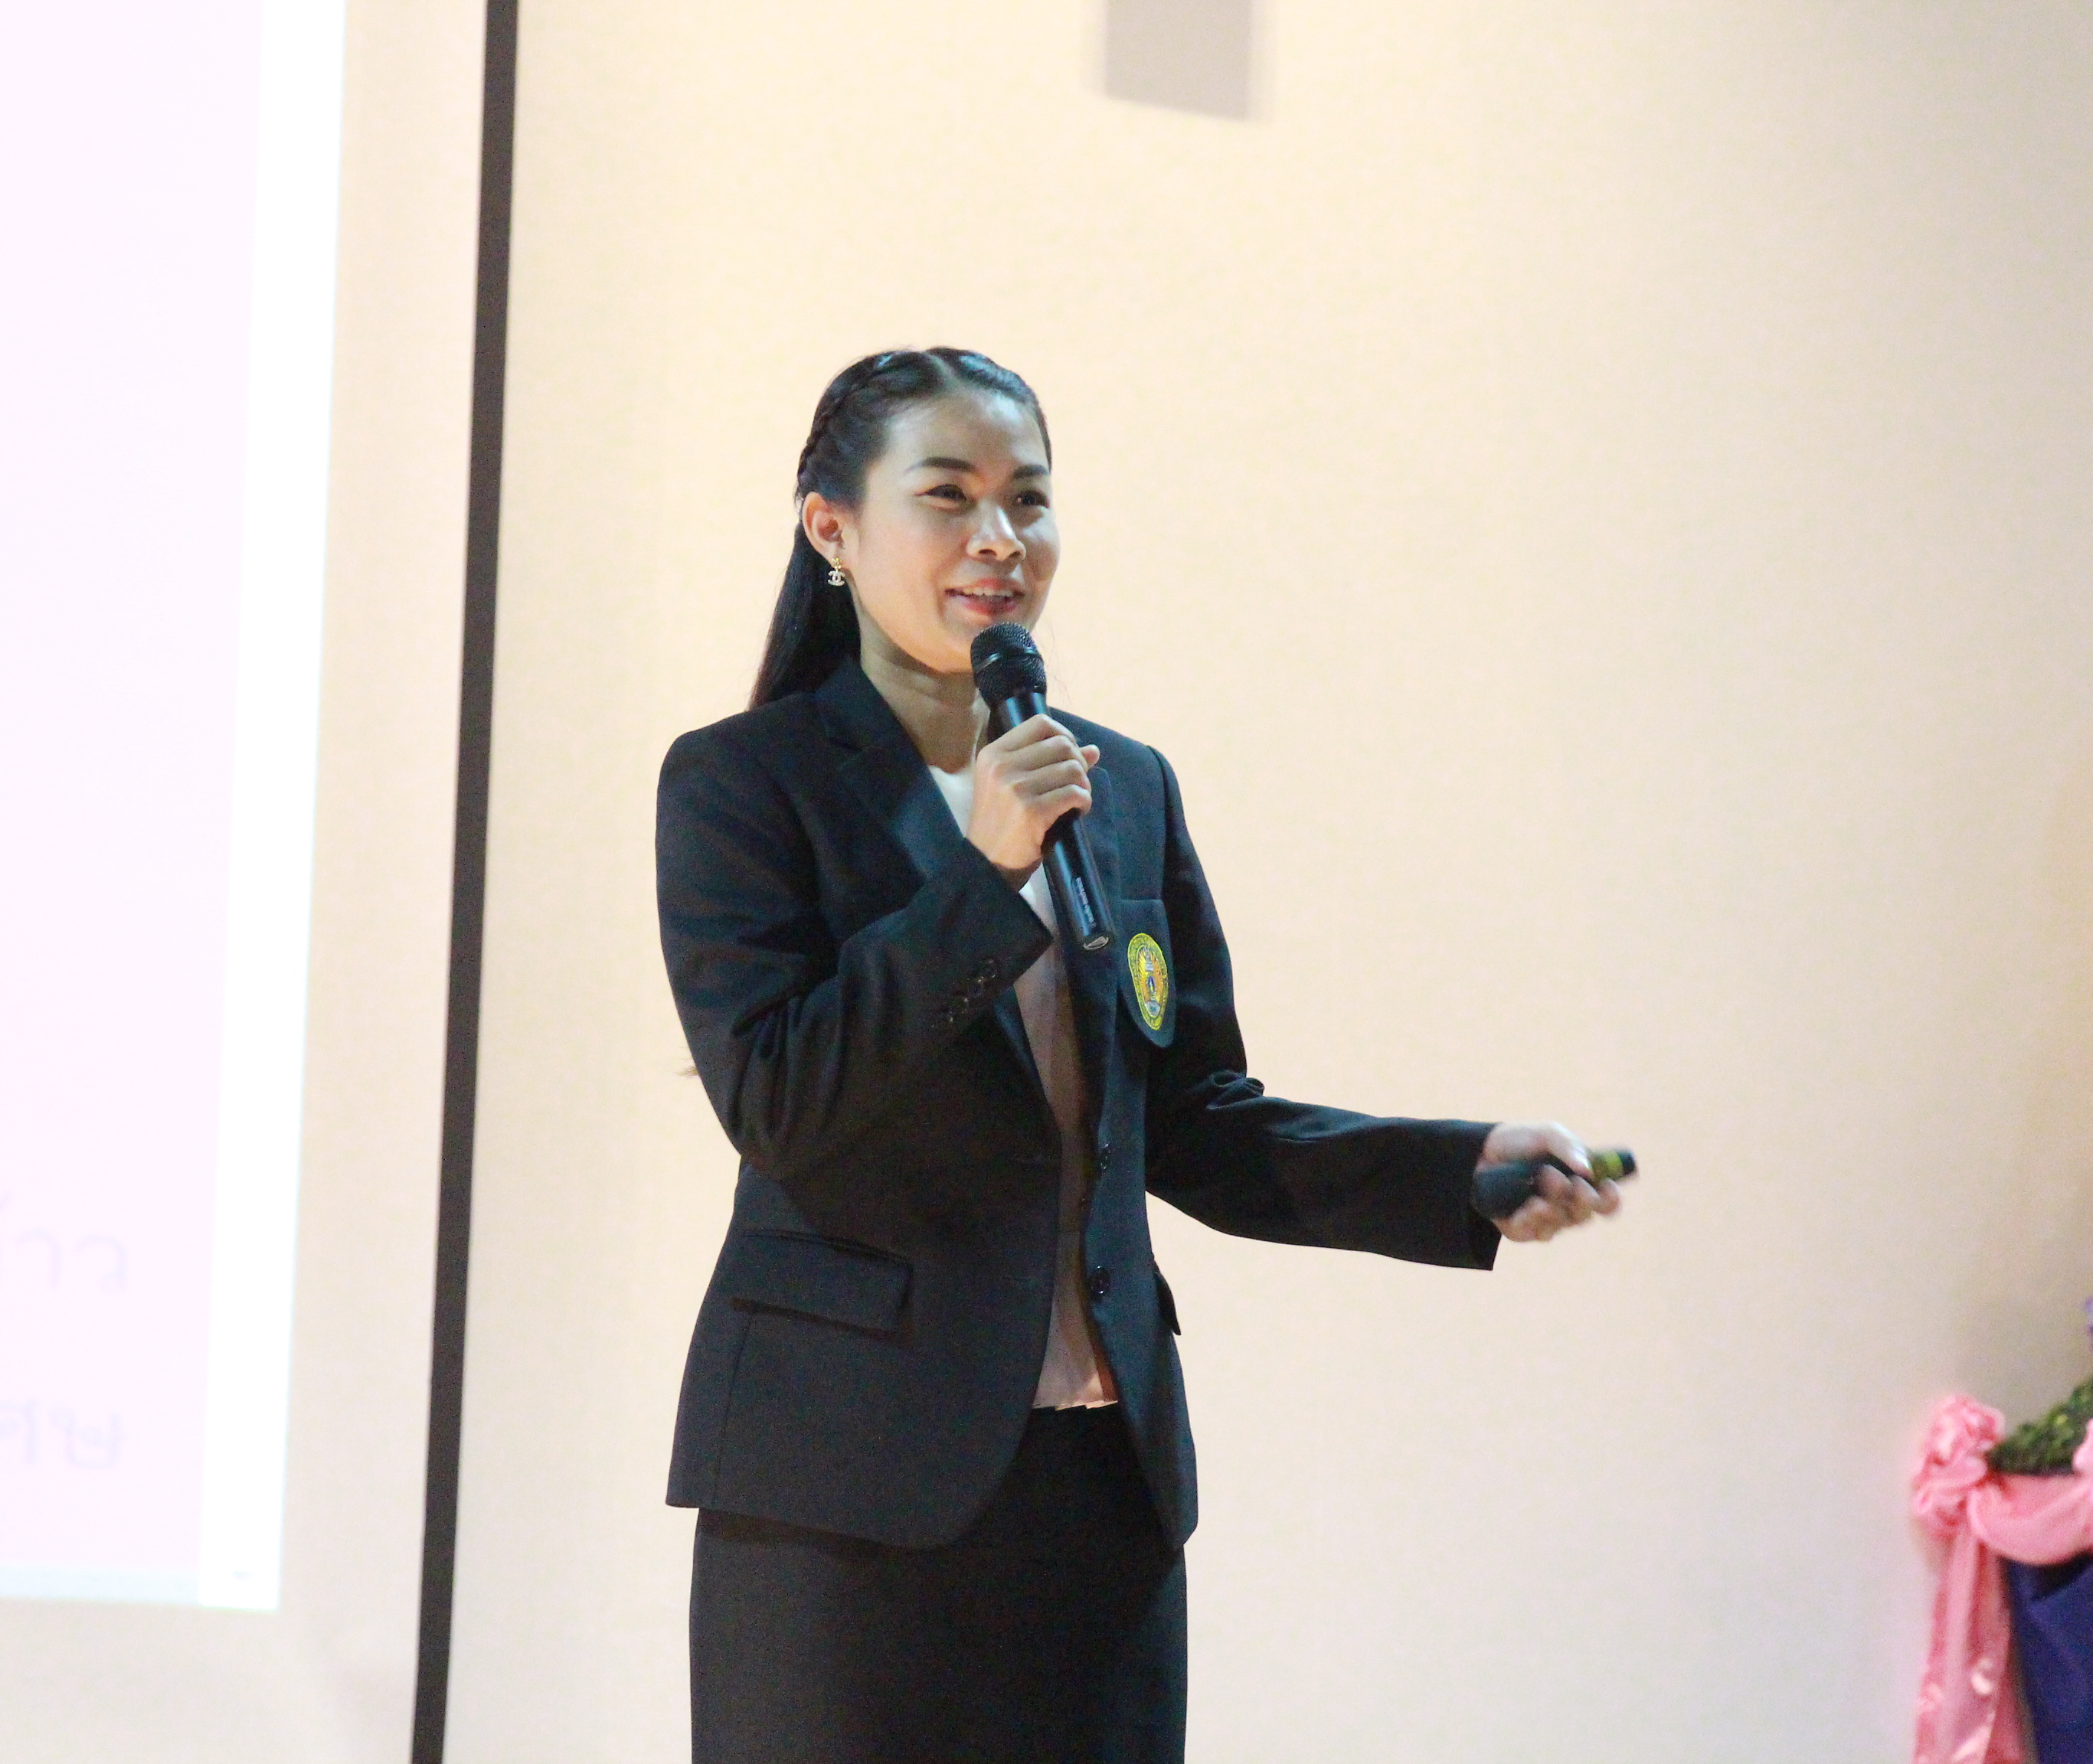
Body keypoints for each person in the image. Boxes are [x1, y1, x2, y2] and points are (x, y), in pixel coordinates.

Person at [656, 347, 1619, 1764]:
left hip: (1100, 1485)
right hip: (843, 1491)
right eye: (949, 497)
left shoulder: (1122, 789)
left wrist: (1455, 1171)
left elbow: (1195, 1120)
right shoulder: (743, 782)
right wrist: (982, 878)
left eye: (1030, 500)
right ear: (832, 529)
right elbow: (781, 1103)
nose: (1001, 538)